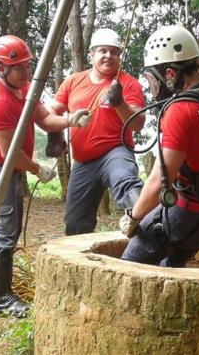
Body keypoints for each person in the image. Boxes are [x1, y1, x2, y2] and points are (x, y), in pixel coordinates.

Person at [0, 34, 86, 318]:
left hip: (8, 168)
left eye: (27, 66)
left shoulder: (24, 90)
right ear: (1, 69)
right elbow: (9, 152)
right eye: (20, 67)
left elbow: (46, 119)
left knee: (9, 227)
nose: (27, 72)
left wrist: (71, 120)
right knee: (3, 230)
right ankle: (1, 298)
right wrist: (38, 169)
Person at [120, 25, 199, 267]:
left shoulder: (181, 110)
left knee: (131, 263)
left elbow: (161, 179)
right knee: (171, 265)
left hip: (188, 213)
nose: (154, 86)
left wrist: (134, 217)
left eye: (154, 78)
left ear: (170, 73)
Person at [47, 28, 146, 235]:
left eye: (114, 52)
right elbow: (50, 112)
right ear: (92, 54)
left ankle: (143, 219)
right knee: (75, 223)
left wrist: (119, 103)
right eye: (103, 51)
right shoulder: (74, 81)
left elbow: (138, 124)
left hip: (115, 151)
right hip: (83, 161)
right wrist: (55, 133)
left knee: (125, 180)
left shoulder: (128, 84)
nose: (108, 56)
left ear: (120, 56)